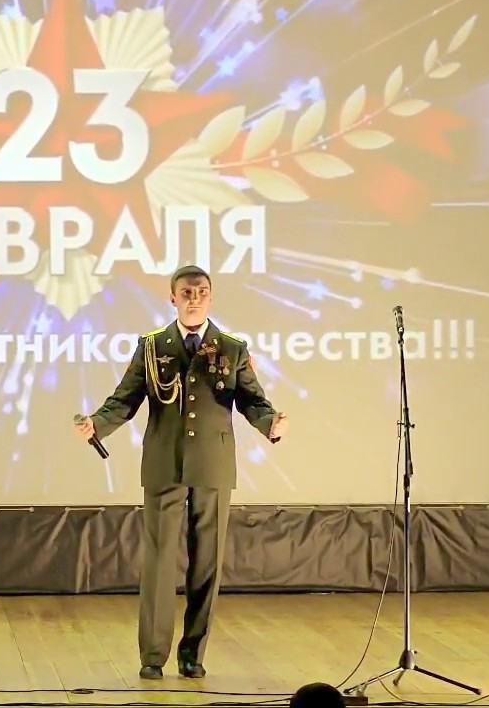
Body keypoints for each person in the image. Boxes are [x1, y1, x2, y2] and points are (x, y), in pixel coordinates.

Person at [73, 265, 288, 680]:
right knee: (158, 562)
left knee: (206, 563)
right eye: (186, 292)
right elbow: (125, 398)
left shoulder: (232, 348)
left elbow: (253, 401)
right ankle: (153, 655)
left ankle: (193, 654)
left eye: (202, 291)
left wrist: (271, 424)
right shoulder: (152, 346)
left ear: (211, 297)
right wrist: (97, 424)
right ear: (172, 298)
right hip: (163, 463)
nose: (194, 298)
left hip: (212, 464)